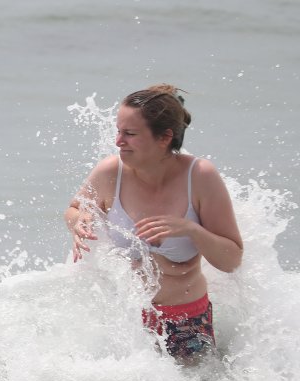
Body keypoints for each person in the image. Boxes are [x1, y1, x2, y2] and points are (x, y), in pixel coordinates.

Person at [64, 84, 243, 359]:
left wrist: (191, 230)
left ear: (164, 137)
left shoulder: (200, 177)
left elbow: (231, 260)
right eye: (118, 131)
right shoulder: (110, 171)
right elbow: (75, 209)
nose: (118, 141)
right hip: (122, 320)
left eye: (130, 134)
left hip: (185, 322)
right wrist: (80, 221)